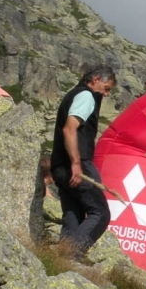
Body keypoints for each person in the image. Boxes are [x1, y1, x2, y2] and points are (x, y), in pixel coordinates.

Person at [49, 65, 116, 260]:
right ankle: (69, 254)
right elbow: (70, 129)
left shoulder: (73, 94)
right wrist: (77, 164)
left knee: (73, 213)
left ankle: (58, 262)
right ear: (95, 79)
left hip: (58, 165)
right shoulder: (86, 96)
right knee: (100, 213)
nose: (106, 94)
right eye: (106, 87)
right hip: (76, 165)